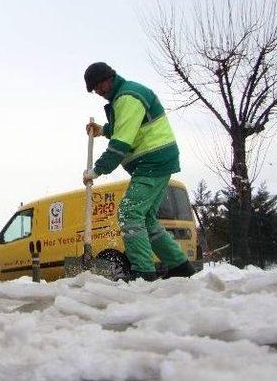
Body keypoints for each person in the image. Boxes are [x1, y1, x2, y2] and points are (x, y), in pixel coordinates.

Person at [83, 62, 195, 281]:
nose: (99, 92)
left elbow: (121, 143)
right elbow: (128, 127)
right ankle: (179, 266)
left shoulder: (127, 98)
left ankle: (143, 273)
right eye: (95, 90)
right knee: (147, 219)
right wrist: (103, 130)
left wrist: (97, 170)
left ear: (109, 78)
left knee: (129, 213)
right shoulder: (125, 96)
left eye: (99, 86)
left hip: (153, 161)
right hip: (159, 160)